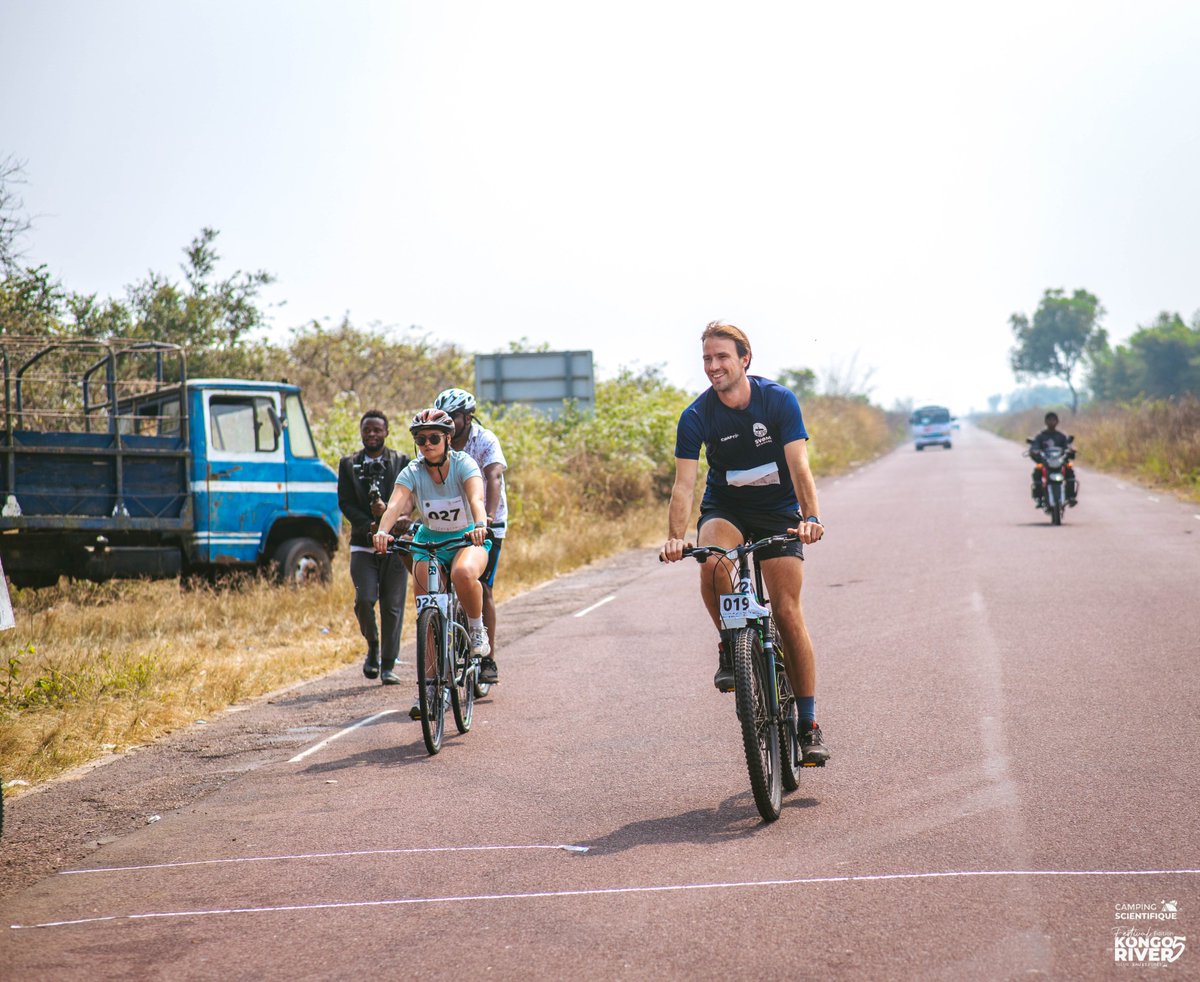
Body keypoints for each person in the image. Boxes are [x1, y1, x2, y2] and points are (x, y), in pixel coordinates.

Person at [660, 322, 829, 765]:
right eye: (707, 359)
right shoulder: (696, 416)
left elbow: (799, 466)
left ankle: (808, 723)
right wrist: (677, 538)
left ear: (744, 359)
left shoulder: (778, 400)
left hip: (777, 510)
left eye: (722, 358)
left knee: (788, 611)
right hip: (728, 509)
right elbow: (684, 485)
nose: (713, 366)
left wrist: (810, 517)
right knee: (712, 562)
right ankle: (731, 643)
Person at [373, 408, 492, 720]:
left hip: (469, 538)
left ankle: (477, 631)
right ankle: (428, 686)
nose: (427, 444)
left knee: (463, 572)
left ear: (448, 439)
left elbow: (477, 500)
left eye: (434, 438)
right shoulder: (413, 471)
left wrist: (480, 524)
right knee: (427, 607)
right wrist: (382, 531)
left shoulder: (464, 464)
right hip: (429, 541)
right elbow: (397, 502)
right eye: (421, 439)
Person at [433, 387, 507, 685]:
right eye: (444, 417)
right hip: (450, 523)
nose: (448, 422)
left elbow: (494, 477)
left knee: (481, 587)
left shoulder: (485, 440)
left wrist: (486, 519)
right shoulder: (438, 441)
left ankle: (488, 658)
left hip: (487, 522)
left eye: (453, 417)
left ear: (467, 417)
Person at [337, 410, 411, 684]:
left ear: (387, 432)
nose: (372, 434)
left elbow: (409, 499)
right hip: (363, 543)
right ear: (361, 432)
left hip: (395, 544)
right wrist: (369, 524)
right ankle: (373, 645)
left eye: (377, 430)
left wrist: (393, 519)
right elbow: (344, 501)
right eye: (367, 429)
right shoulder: (348, 464)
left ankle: (388, 665)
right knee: (365, 600)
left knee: (392, 606)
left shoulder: (402, 462)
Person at [1028, 411, 1078, 506]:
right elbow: (1034, 446)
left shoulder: (1061, 436)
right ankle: (1039, 498)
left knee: (1070, 471)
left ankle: (1071, 496)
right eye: (1049, 420)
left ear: (1057, 421)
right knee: (1037, 473)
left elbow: (1068, 445)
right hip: (1046, 462)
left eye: (1053, 420)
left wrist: (1071, 449)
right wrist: (1034, 451)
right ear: (1045, 422)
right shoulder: (1040, 436)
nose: (1051, 422)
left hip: (1060, 461)